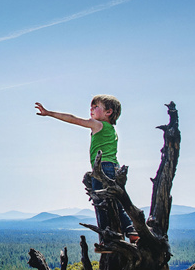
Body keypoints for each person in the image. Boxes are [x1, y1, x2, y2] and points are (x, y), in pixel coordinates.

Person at [34, 95, 138, 242]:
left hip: (102, 169)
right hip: (115, 168)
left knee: (100, 203)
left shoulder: (98, 125)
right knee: (117, 202)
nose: (91, 109)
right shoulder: (112, 130)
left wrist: (49, 113)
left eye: (96, 107)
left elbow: (72, 118)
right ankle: (131, 231)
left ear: (108, 112)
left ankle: (107, 239)